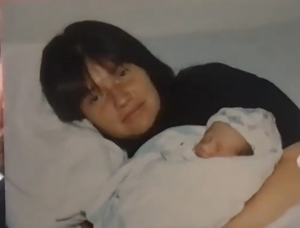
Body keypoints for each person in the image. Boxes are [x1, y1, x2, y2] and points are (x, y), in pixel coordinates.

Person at [40, 20, 300, 228]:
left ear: (143, 65)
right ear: (84, 118)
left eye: (121, 73)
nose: (120, 98)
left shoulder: (209, 85)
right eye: (95, 97)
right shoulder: (116, 175)